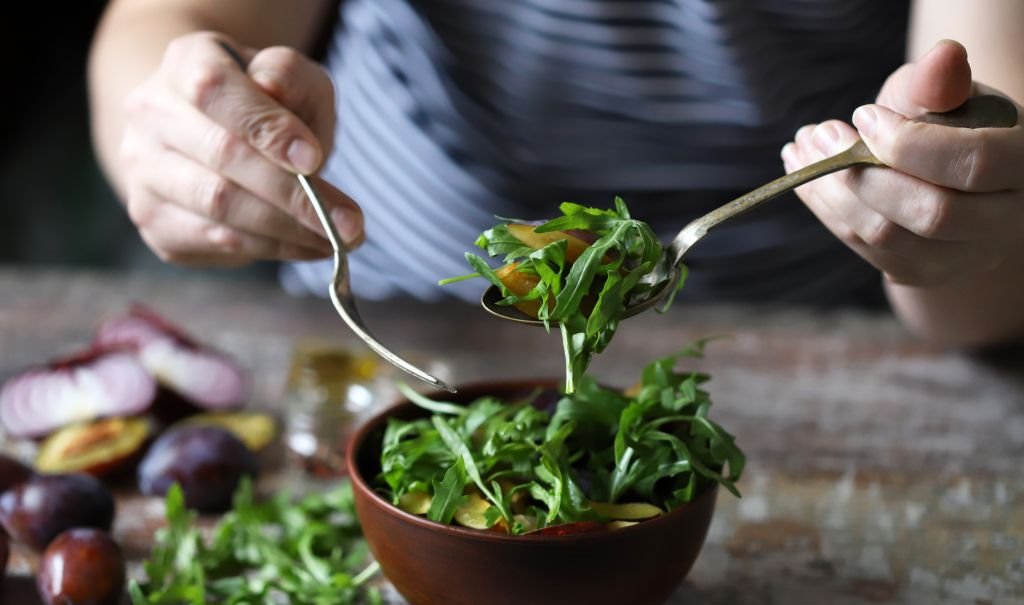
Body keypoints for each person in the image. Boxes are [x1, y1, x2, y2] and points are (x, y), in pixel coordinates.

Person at [88, 0, 1024, 347]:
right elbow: (158, 30)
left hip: (803, 344)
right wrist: (186, 127)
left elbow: (987, 290)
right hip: (379, 322)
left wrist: (949, 211)